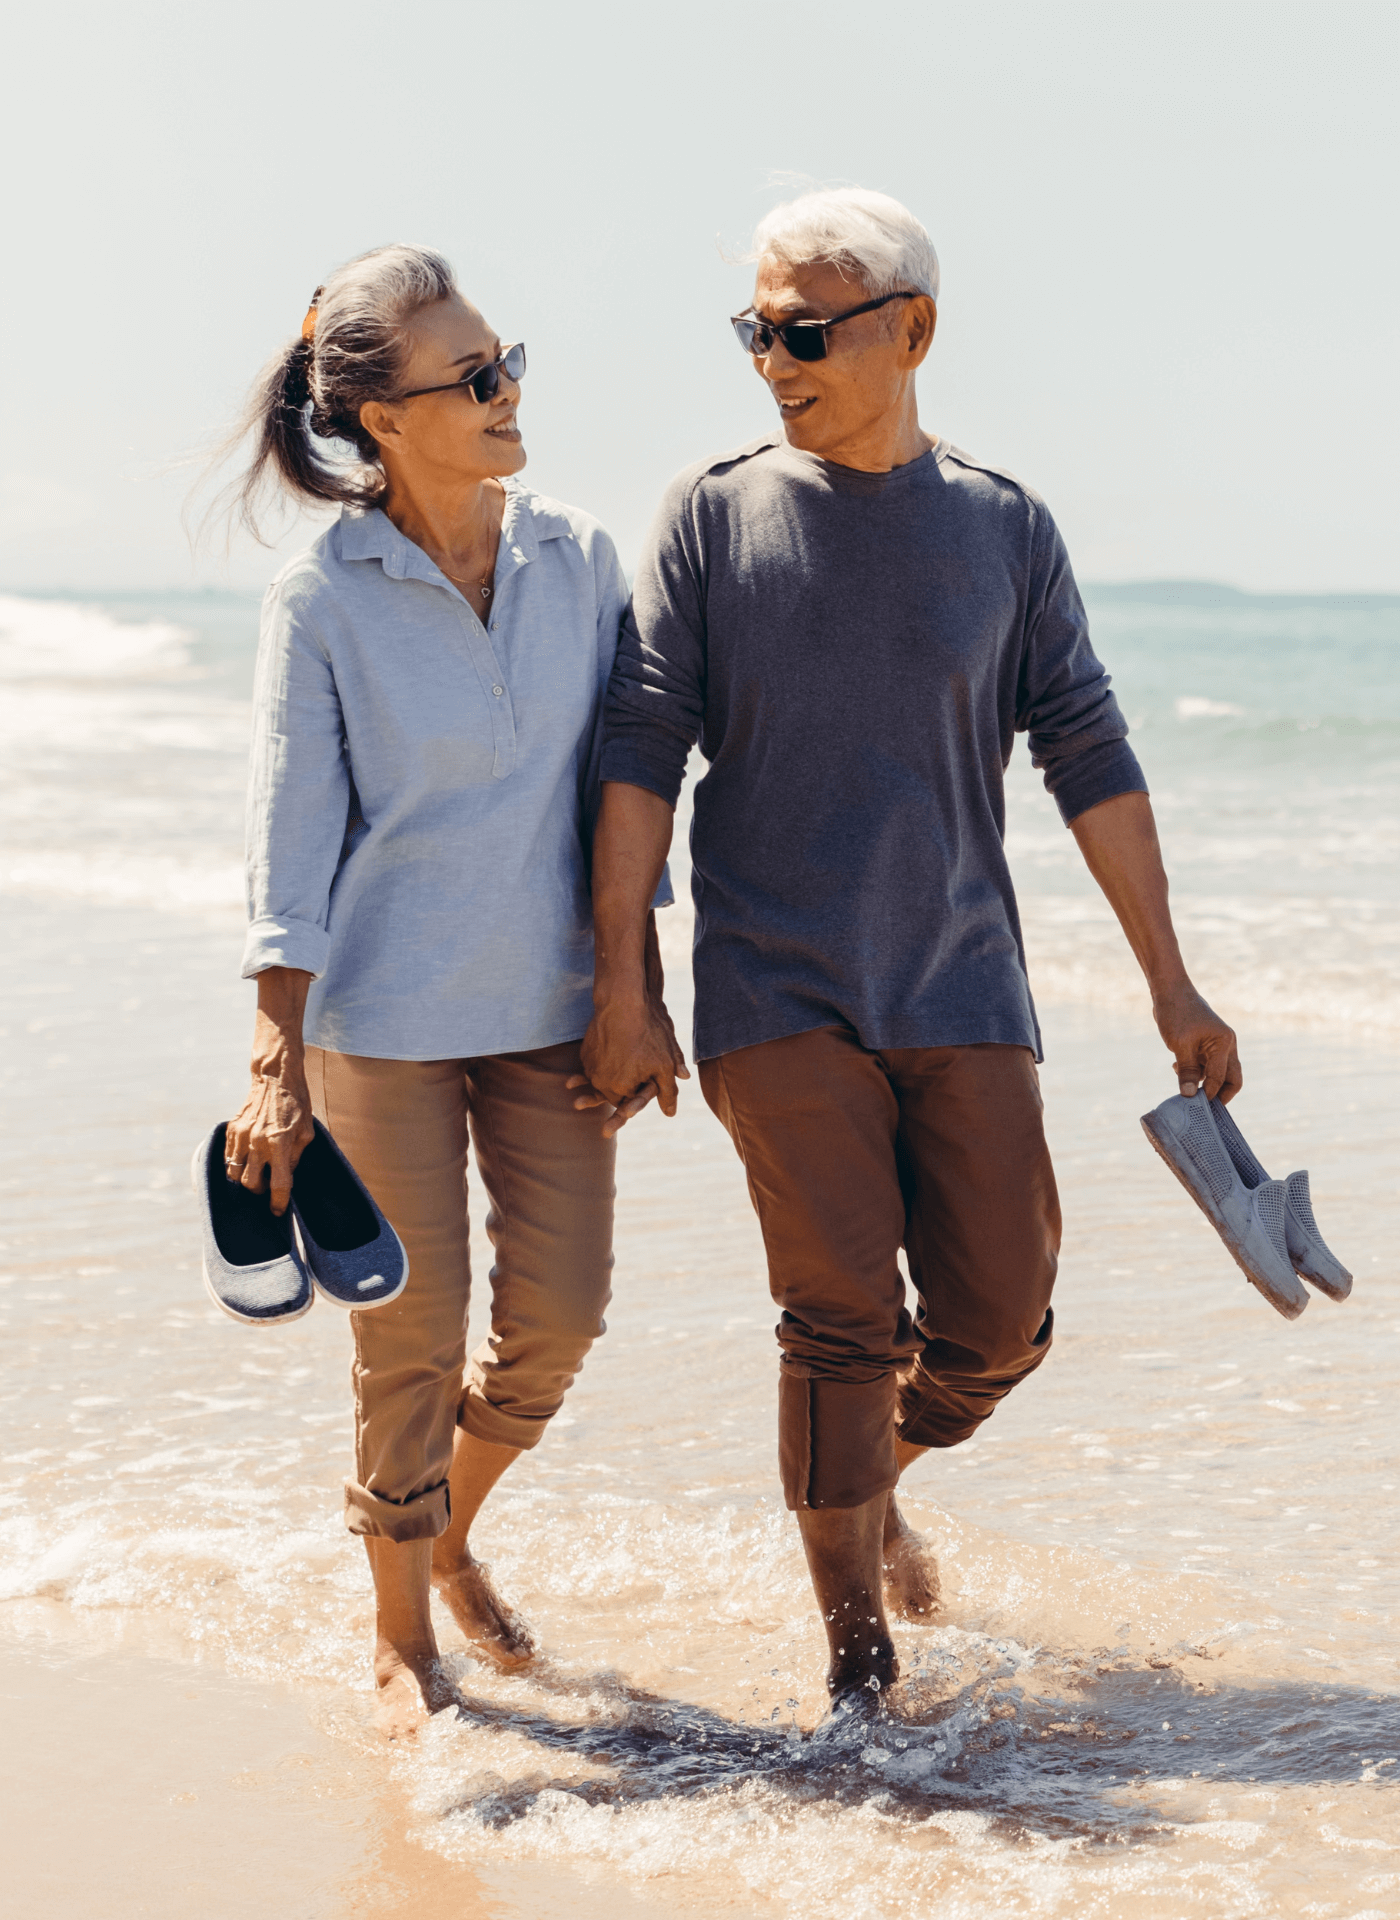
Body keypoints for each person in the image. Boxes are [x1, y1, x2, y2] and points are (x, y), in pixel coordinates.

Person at [576, 188, 1241, 1709]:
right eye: (755, 330)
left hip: (960, 982)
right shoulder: (709, 514)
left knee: (1003, 1319)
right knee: (837, 1315)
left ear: (912, 330)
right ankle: (858, 1674)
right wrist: (629, 980)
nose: (771, 359)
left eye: (802, 331)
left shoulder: (1003, 526)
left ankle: (870, 1482)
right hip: (772, 983)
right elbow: (640, 749)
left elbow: (1088, 748)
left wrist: (1171, 978)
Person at [218, 244, 676, 1721]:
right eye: (473, 378)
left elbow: (628, 795)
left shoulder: (582, 555)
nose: (506, 392)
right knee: (403, 1340)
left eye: (507, 362)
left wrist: (635, 988)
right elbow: (290, 843)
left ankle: (455, 1527)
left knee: (560, 1321)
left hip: (554, 1008)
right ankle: (405, 1625)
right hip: (388, 1026)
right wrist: (275, 1060)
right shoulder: (324, 598)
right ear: (382, 420)